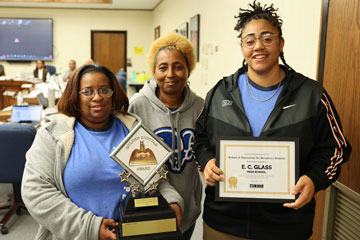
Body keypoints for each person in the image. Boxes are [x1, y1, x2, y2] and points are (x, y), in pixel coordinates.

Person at [194, 1, 352, 240]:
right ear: (242, 47)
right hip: (223, 223)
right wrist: (206, 161)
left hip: (286, 225)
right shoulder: (220, 92)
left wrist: (314, 179)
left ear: (281, 43)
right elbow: (199, 138)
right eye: (250, 40)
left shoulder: (311, 94)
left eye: (267, 38)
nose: (258, 46)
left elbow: (336, 148)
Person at [22, 64, 139, 240]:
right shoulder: (53, 134)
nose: (97, 97)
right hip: (77, 234)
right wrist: (90, 227)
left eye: (104, 90)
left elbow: (157, 175)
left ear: (113, 93)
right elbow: (35, 192)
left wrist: (172, 199)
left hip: (133, 232)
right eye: (87, 91)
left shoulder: (133, 129)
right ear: (75, 96)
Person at [129, 32, 204, 239]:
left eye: (178, 66)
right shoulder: (138, 105)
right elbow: (133, 161)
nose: (170, 73)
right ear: (153, 71)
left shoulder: (200, 106)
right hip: (150, 203)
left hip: (188, 205)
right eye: (163, 67)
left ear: (189, 70)